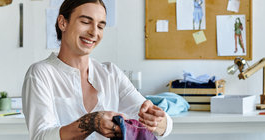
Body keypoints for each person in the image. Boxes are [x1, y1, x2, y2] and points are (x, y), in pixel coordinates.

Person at [21, 0, 173, 140]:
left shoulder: (111, 74)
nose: (94, 32)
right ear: (63, 23)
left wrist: (157, 120)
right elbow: (41, 137)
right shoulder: (41, 74)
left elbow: (165, 126)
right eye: (86, 22)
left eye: (100, 26)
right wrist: (90, 122)